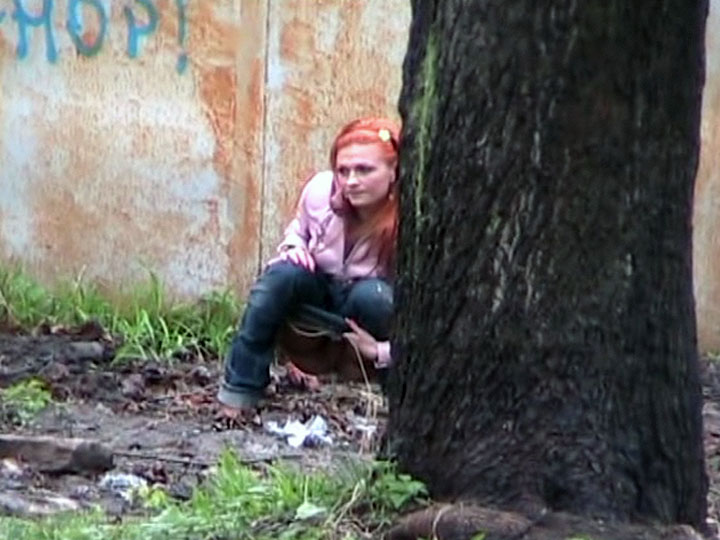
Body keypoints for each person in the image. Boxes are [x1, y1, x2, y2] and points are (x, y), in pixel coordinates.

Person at [217, 117, 400, 418]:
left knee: (376, 297)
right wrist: (294, 247)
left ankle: (398, 407)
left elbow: (426, 323)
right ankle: (238, 394)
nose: (351, 181)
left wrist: (382, 351)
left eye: (364, 170)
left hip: (368, 318)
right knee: (279, 277)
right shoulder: (320, 191)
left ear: (393, 170)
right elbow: (298, 229)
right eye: (343, 170)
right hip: (318, 302)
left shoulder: (411, 217)